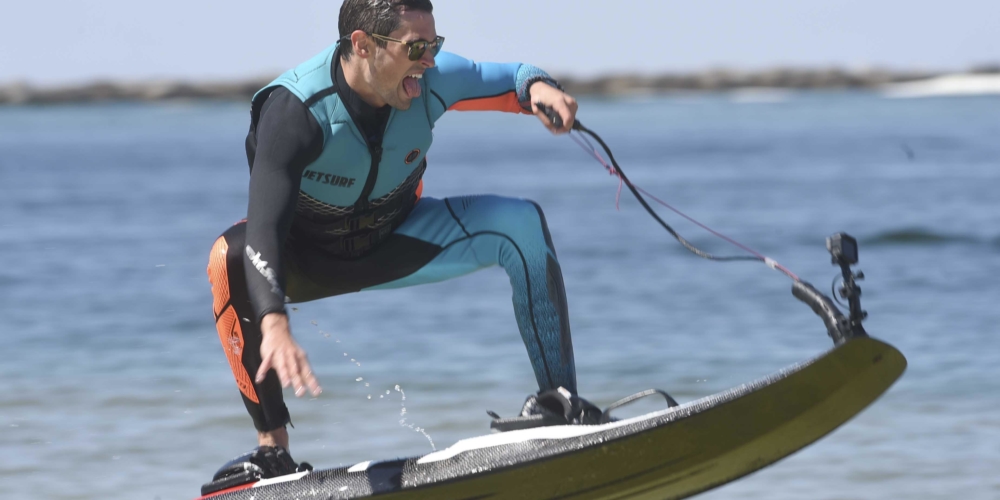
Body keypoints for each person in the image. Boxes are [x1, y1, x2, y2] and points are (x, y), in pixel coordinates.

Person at [202, 0, 599, 491]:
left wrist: (542, 90)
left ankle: (558, 405)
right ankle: (273, 452)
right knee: (229, 256)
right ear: (363, 46)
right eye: (415, 47)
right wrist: (274, 319)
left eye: (434, 44)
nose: (428, 59)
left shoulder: (432, 79)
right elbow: (263, 225)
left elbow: (516, 78)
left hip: (398, 241)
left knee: (521, 223)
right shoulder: (295, 111)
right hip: (307, 260)